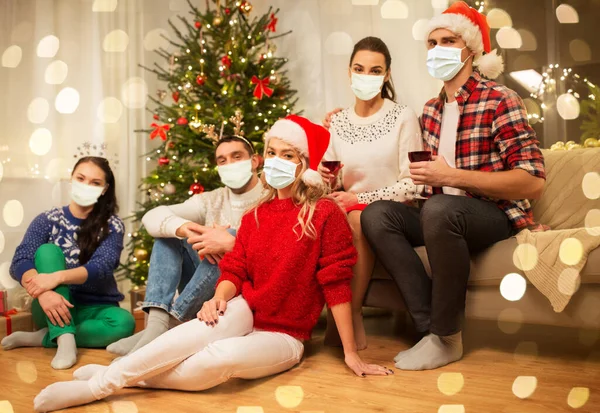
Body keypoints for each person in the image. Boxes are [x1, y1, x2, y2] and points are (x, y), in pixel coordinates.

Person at [33, 115, 393, 413]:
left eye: (288, 154)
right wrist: (219, 296)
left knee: (215, 360)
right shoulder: (257, 215)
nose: (276, 161)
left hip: (285, 336)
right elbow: (235, 268)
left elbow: (336, 282)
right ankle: (100, 386)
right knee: (194, 334)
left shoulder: (324, 212)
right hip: (245, 309)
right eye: (271, 152)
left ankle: (122, 374)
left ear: (304, 164)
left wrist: (350, 354)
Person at [360, 1, 546, 371]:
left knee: (441, 208)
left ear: (471, 50)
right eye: (432, 43)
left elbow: (533, 181)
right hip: (438, 215)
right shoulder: (430, 110)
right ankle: (432, 329)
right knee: (378, 215)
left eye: (448, 40)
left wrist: (452, 177)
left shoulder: (500, 100)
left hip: (491, 215)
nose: (438, 49)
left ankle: (447, 337)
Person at [107, 136, 264, 357]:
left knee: (227, 235)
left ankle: (168, 325)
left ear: (255, 161)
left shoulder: (271, 197)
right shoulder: (212, 199)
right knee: (168, 234)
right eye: (222, 160)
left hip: (244, 288)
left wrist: (231, 243)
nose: (229, 164)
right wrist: (185, 228)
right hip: (208, 286)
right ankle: (156, 326)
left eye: (236, 157)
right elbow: (153, 216)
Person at [319, 37, 422, 351]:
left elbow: (413, 184)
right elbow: (332, 185)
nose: (366, 76)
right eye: (359, 69)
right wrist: (326, 178)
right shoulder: (337, 122)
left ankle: (350, 315)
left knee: (358, 217)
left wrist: (360, 200)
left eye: (375, 70)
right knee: (333, 216)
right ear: (349, 72)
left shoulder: (403, 116)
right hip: (347, 209)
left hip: (394, 212)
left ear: (387, 74)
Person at [2, 156, 134, 370]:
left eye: (95, 182)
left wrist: (57, 277)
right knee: (47, 251)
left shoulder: (112, 225)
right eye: (81, 178)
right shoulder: (47, 219)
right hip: (50, 305)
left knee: (124, 323)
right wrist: (44, 293)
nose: (86, 186)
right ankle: (64, 340)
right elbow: (20, 260)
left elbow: (102, 267)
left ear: (104, 189)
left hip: (97, 307)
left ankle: (46, 337)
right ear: (71, 179)